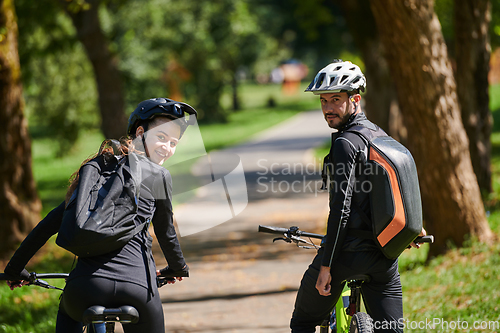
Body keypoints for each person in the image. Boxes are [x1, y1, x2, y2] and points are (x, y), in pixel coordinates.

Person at [3, 98, 196, 333]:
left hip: (85, 287)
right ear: (140, 132)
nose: (167, 148)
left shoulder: (97, 174)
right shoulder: (159, 176)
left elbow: (47, 225)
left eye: (173, 143)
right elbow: (166, 232)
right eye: (162, 137)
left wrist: (15, 270)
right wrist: (177, 268)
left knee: (67, 311)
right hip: (137, 287)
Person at [290, 60, 425, 333]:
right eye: (324, 101)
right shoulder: (379, 135)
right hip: (383, 258)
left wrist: (327, 266)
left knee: (303, 322)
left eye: (336, 100)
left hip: (347, 255)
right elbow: (398, 185)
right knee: (391, 330)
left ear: (355, 99)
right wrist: (410, 227)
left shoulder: (344, 144)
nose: (328, 108)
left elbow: (341, 210)